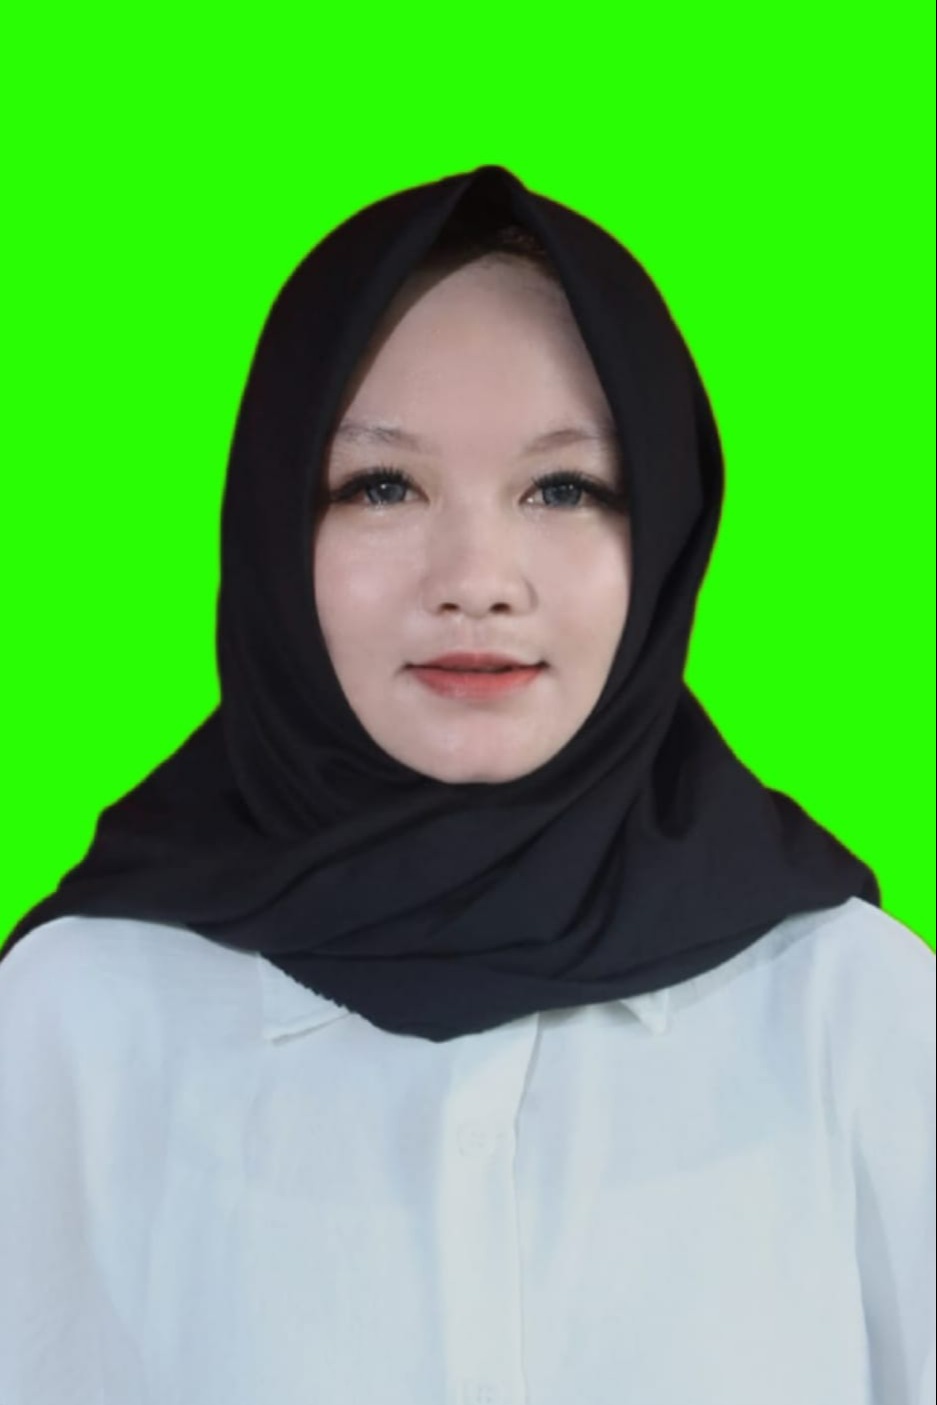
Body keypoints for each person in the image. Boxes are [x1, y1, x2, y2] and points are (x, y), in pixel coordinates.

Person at [0, 163, 933, 1405]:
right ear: (275, 526)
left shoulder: (851, 1010)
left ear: (663, 528)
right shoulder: (72, 1021)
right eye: (381, 486)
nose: (477, 578)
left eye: (565, 488)